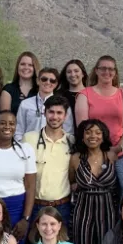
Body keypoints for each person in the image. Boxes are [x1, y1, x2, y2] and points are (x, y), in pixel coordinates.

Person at [25, 95, 74, 228]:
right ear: (44, 112)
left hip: (62, 206)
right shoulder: (29, 139)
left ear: (66, 116)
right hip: (35, 205)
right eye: (51, 112)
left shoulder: (71, 142)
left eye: (59, 113)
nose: (55, 117)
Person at [74, 55, 123, 148]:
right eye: (103, 68)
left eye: (111, 69)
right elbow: (83, 128)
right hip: (93, 150)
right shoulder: (84, 95)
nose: (107, 72)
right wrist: (99, 151)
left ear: (115, 72)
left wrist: (117, 149)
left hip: (121, 150)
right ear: (96, 71)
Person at [16, 67, 76, 137]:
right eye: (44, 79)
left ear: (56, 84)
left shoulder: (64, 105)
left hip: (54, 146)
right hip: (29, 146)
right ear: (38, 81)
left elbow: (68, 132)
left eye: (52, 81)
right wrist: (23, 146)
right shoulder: (25, 104)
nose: (48, 82)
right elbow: (18, 131)